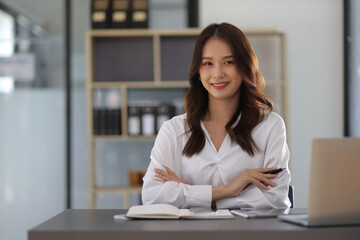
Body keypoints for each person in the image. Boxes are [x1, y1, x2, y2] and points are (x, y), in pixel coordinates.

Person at [141, 22, 291, 209]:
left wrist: (188, 192)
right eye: (208, 63)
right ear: (198, 70)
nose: (217, 74)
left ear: (245, 66)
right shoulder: (174, 130)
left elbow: (274, 199)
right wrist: (228, 190)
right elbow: (152, 196)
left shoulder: (270, 126)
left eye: (228, 62)